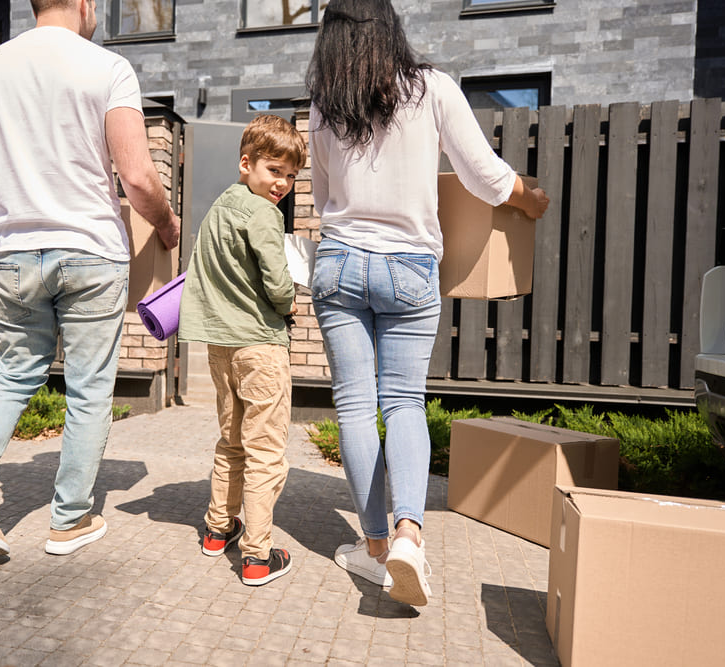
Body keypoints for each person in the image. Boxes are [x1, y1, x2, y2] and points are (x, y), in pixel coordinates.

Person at [305, 0, 549, 606]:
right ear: (391, 27)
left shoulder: (324, 104)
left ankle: (374, 547)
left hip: (338, 262)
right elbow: (486, 177)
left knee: (357, 408)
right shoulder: (431, 88)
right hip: (409, 267)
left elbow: (321, 193)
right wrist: (528, 199)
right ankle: (410, 534)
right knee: (405, 401)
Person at [0, 0, 180, 559]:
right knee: (89, 388)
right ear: (87, 4)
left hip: (16, 256)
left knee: (14, 374)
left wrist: (15, 213)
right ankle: (69, 521)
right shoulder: (107, 67)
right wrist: (166, 223)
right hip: (92, 252)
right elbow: (138, 176)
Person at [178, 114, 305, 586]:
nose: (283, 184)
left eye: (291, 175)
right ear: (246, 162)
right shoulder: (264, 215)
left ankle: (217, 529)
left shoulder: (220, 207)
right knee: (266, 450)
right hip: (261, 347)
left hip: (221, 347)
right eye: (275, 170)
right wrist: (291, 300)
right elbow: (276, 281)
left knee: (231, 441)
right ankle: (257, 556)